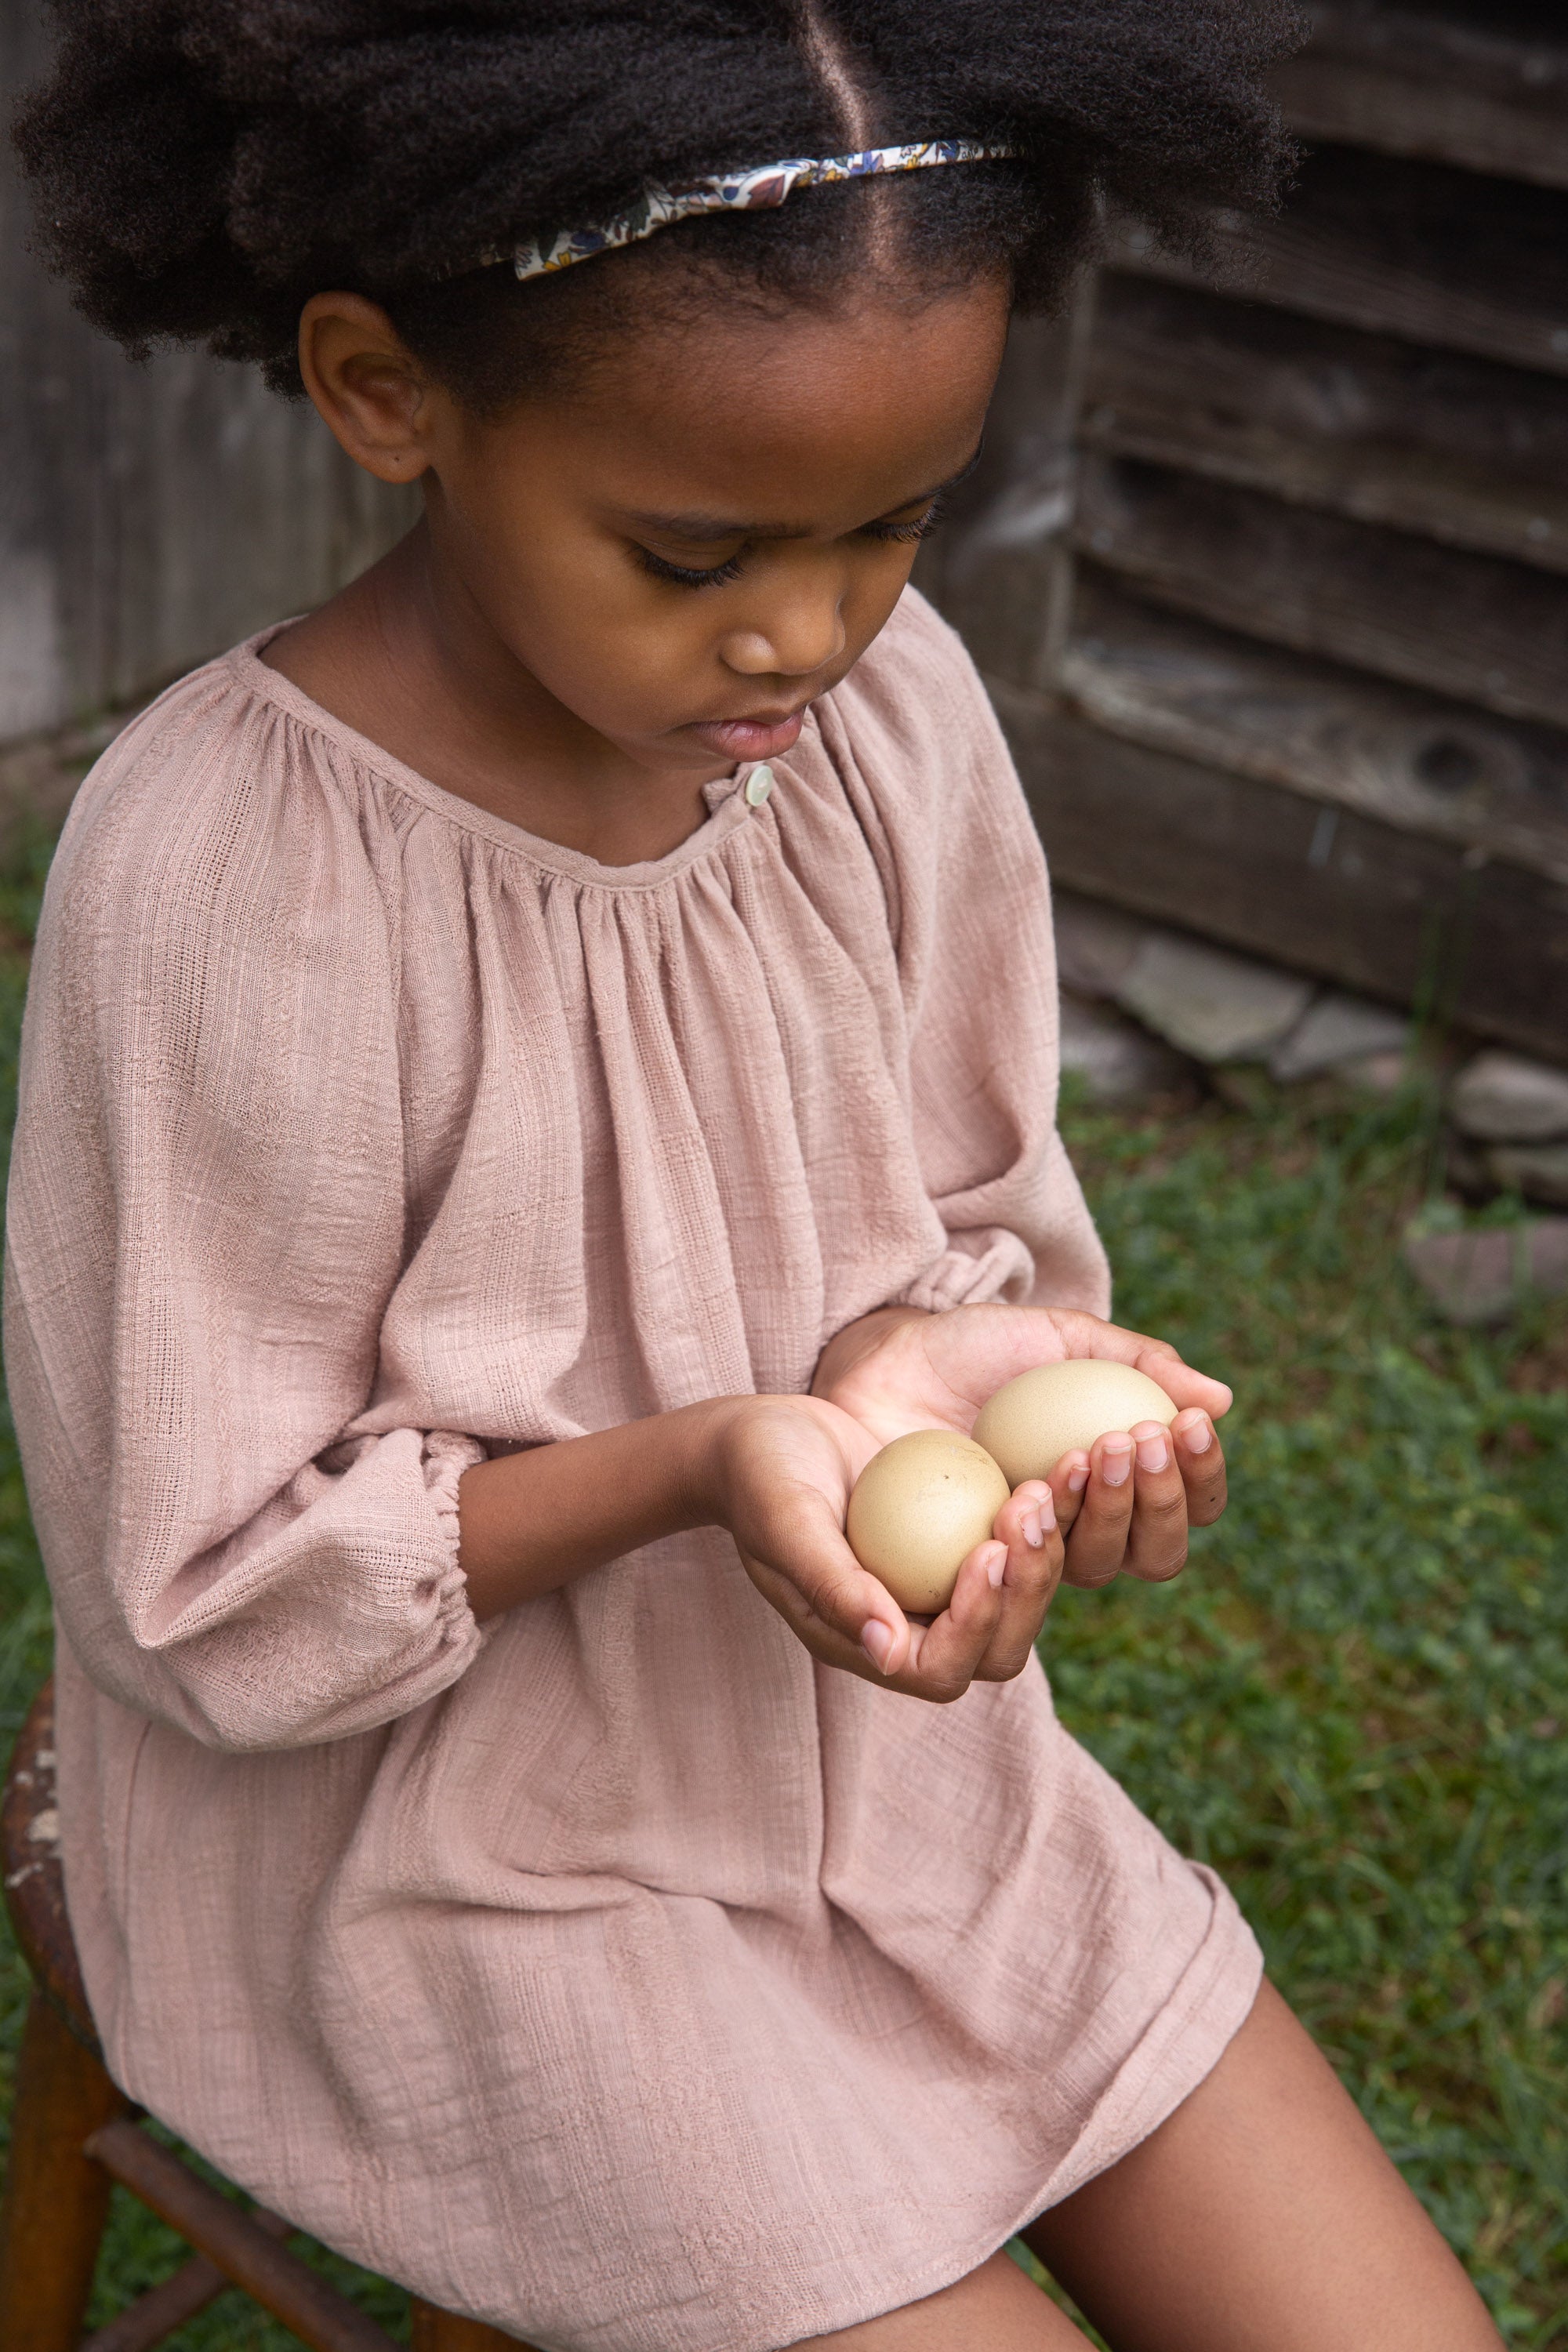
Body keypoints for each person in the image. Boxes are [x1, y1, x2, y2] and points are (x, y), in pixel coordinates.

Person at [8, 3, 1503, 2346]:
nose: (809, 630)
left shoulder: (880, 732)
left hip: (865, 1775)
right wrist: (705, 1464)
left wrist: (935, 1356)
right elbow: (202, 1591)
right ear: (387, 391)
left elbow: (973, 1213)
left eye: (894, 525)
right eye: (692, 547)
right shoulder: (232, 874)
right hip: (429, 1875)